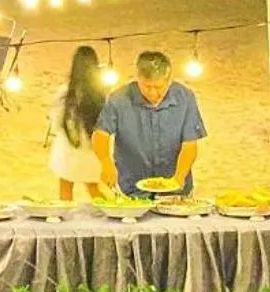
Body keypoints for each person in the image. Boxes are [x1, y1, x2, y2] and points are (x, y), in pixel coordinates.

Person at [93, 50, 206, 196]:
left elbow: (190, 144)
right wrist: (105, 162)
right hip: (132, 188)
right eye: (147, 86)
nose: (153, 93)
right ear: (138, 78)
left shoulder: (185, 97)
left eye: (159, 88)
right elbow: (101, 133)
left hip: (176, 189)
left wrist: (178, 178)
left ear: (169, 81)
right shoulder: (118, 99)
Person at [47, 46, 107, 201]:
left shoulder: (65, 93)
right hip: (91, 152)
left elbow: (56, 121)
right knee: (94, 190)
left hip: (68, 149)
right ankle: (110, 215)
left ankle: (65, 221)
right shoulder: (101, 94)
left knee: (65, 189)